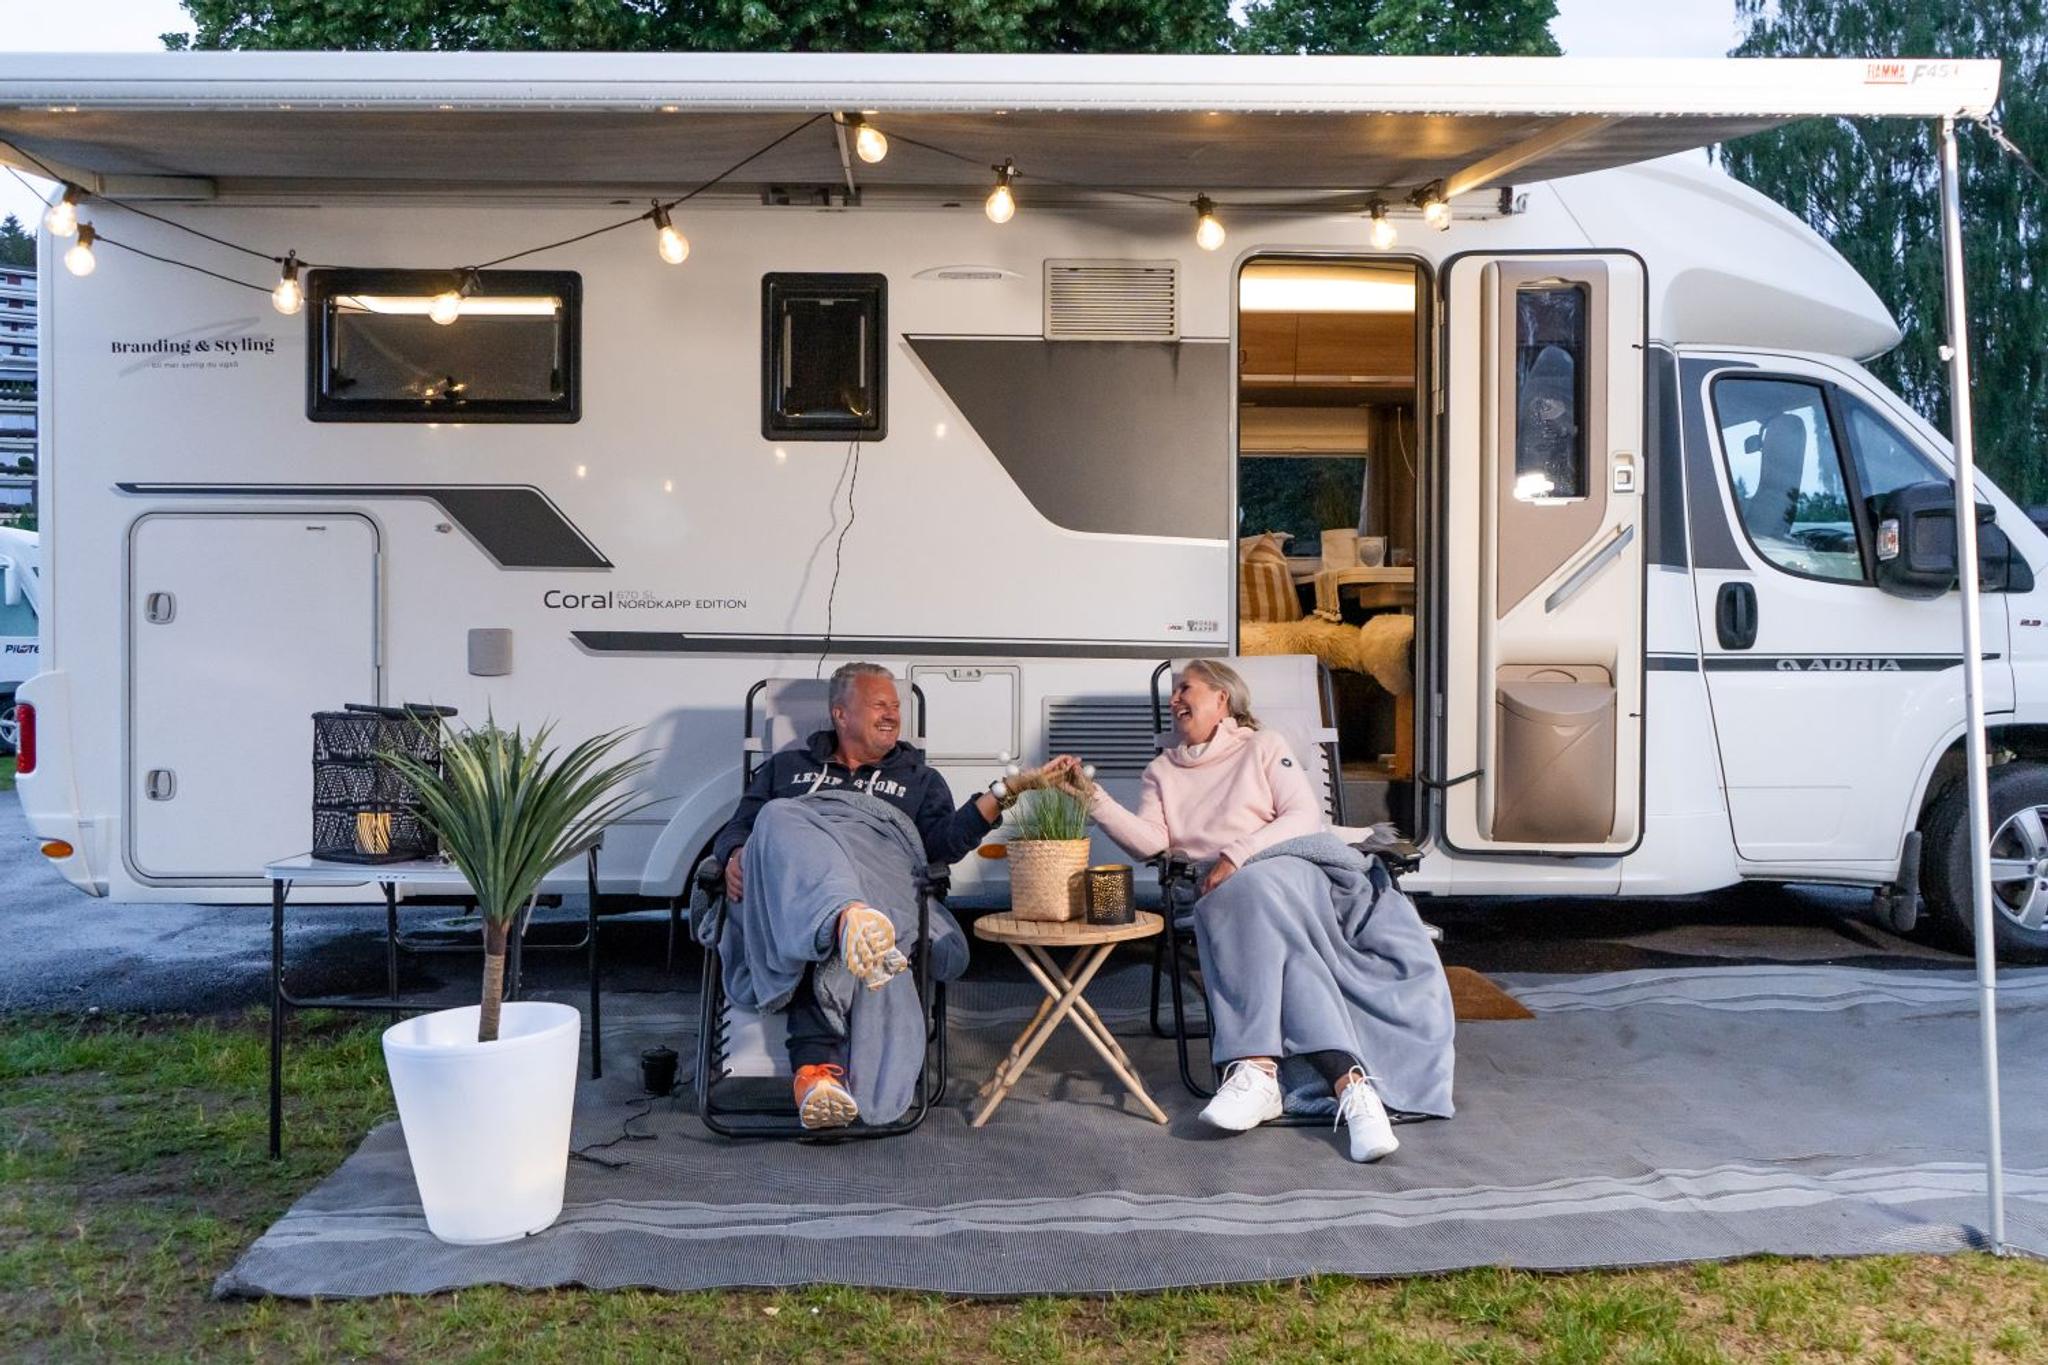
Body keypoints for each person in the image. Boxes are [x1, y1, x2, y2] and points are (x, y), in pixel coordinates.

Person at [1050, 659, 1454, 1162]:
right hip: (1230, 894)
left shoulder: (1263, 746)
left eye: (1186, 689)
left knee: (1251, 888)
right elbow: (1153, 845)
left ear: (1223, 699)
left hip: (1290, 869)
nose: (1175, 700)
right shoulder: (1160, 772)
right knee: (1291, 958)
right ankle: (1353, 1088)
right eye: (1174, 691)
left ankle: (1257, 1067)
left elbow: (1303, 817)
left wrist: (1235, 856)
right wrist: (1094, 799)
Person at [710, 662, 1060, 1130]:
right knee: (777, 818)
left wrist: (1006, 791)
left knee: (831, 922)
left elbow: (940, 846)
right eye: (880, 704)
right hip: (806, 890)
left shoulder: (919, 779)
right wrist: (734, 852)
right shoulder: (787, 769)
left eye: (895, 706)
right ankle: (846, 920)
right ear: (841, 714)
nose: (892, 715)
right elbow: (740, 825)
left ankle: (815, 1072)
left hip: (878, 881)